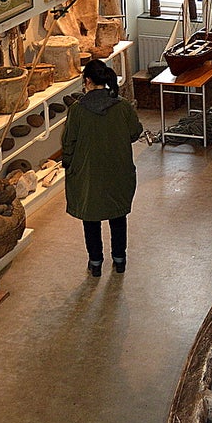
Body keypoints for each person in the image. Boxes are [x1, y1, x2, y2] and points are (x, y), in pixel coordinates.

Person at [62, 58, 142, 277]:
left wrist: (67, 164)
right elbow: (135, 133)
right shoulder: (123, 106)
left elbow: (68, 143)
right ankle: (120, 259)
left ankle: (96, 262)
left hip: (89, 173)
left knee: (91, 218)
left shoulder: (77, 110)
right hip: (118, 170)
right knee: (117, 215)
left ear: (87, 80)